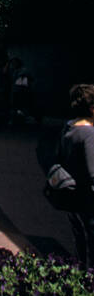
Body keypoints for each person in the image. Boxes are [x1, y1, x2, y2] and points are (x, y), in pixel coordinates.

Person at [56, 83, 94, 270]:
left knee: (79, 239)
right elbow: (92, 171)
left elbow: (59, 158)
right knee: (90, 243)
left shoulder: (68, 128)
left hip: (71, 195)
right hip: (87, 198)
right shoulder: (88, 133)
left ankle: (78, 276)